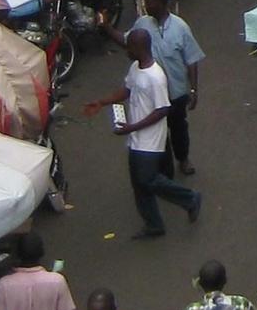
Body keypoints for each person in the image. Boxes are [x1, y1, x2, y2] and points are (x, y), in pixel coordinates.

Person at [83, 27, 202, 239]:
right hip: (136, 138)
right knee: (138, 183)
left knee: (147, 179)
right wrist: (102, 102)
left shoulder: (156, 77)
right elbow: (127, 90)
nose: (126, 49)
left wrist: (132, 127)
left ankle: (190, 198)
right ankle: (153, 224)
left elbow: (162, 109)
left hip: (150, 139)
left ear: (138, 48)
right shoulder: (135, 68)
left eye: (129, 46)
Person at [128, 0, 204, 177]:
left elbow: (191, 60)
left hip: (176, 93)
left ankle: (183, 158)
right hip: (153, 93)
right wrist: (106, 28)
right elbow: (128, 42)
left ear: (162, 4)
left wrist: (194, 90)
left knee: (178, 128)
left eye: (150, 2)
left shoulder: (180, 27)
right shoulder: (142, 23)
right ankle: (164, 168)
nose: (146, 6)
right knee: (158, 132)